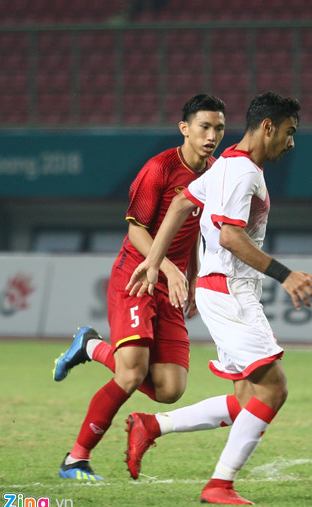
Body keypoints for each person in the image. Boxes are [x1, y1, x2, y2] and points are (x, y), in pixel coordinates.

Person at [125, 92, 312, 505]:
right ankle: (219, 485)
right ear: (268, 127)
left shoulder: (227, 163)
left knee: (248, 399)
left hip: (222, 289)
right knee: (274, 390)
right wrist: (285, 275)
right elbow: (230, 236)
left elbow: (182, 203)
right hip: (230, 291)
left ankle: (152, 426)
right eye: (289, 132)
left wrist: (155, 260)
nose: (291, 142)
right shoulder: (242, 170)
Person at [53, 94, 227, 481]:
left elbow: (194, 227)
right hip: (137, 277)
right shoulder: (158, 169)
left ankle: (90, 346)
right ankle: (76, 459)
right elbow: (136, 231)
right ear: (185, 129)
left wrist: (193, 275)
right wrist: (169, 268)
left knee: (170, 389)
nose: (212, 135)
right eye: (204, 126)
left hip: (172, 283)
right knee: (131, 373)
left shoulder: (215, 174)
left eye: (218, 128)